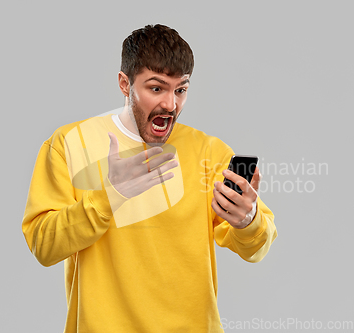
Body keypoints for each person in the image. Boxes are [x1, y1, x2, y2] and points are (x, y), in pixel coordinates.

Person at [22, 24, 278, 333]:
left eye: (180, 89)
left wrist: (248, 220)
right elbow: (43, 246)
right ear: (124, 83)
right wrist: (108, 196)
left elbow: (257, 248)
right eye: (156, 88)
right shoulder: (70, 144)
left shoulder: (209, 152)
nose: (170, 105)